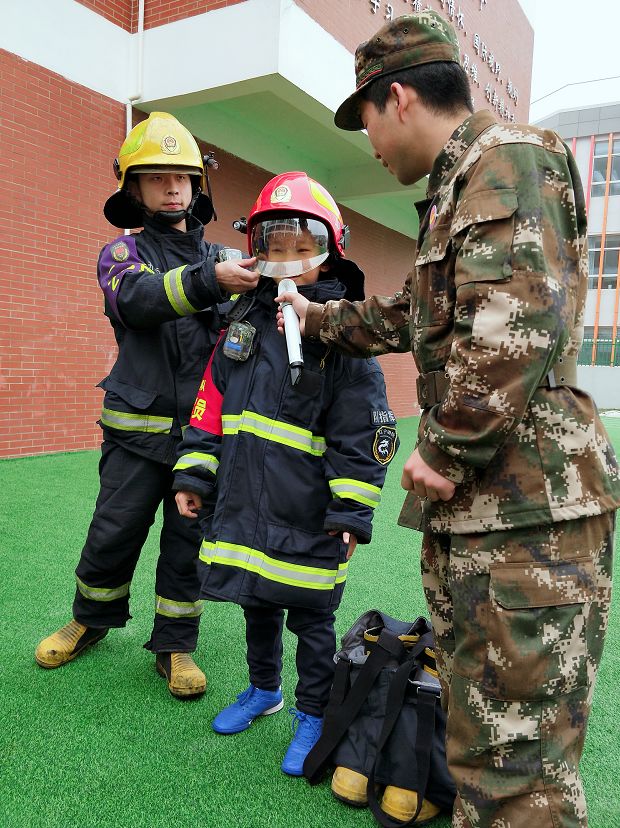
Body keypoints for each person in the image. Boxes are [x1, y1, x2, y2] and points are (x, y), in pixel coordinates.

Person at [276, 12, 620, 827]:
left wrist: (445, 446)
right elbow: (412, 313)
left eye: (366, 120)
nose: (369, 144)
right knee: (482, 740)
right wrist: (316, 317)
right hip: (498, 514)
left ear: (397, 99)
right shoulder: (460, 188)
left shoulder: (508, 159)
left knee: (517, 770)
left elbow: (517, 319)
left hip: (527, 518)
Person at [173, 171, 396, 774]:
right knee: (257, 602)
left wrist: (351, 511)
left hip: (310, 513)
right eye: (276, 247)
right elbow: (211, 403)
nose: (290, 260)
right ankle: (264, 689)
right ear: (258, 250)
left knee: (313, 619)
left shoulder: (342, 336)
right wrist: (194, 472)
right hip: (246, 502)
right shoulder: (242, 321)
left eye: (304, 247)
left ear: (330, 252)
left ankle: (313, 712)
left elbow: (363, 434)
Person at [35, 112, 258, 698]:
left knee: (188, 545)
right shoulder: (121, 254)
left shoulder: (226, 258)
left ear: (197, 186)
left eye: (182, 177)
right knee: (112, 532)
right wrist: (212, 280)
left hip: (201, 440)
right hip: (134, 437)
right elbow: (137, 300)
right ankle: (89, 620)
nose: (172, 188)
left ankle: (175, 645)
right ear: (133, 189)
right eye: (157, 177)